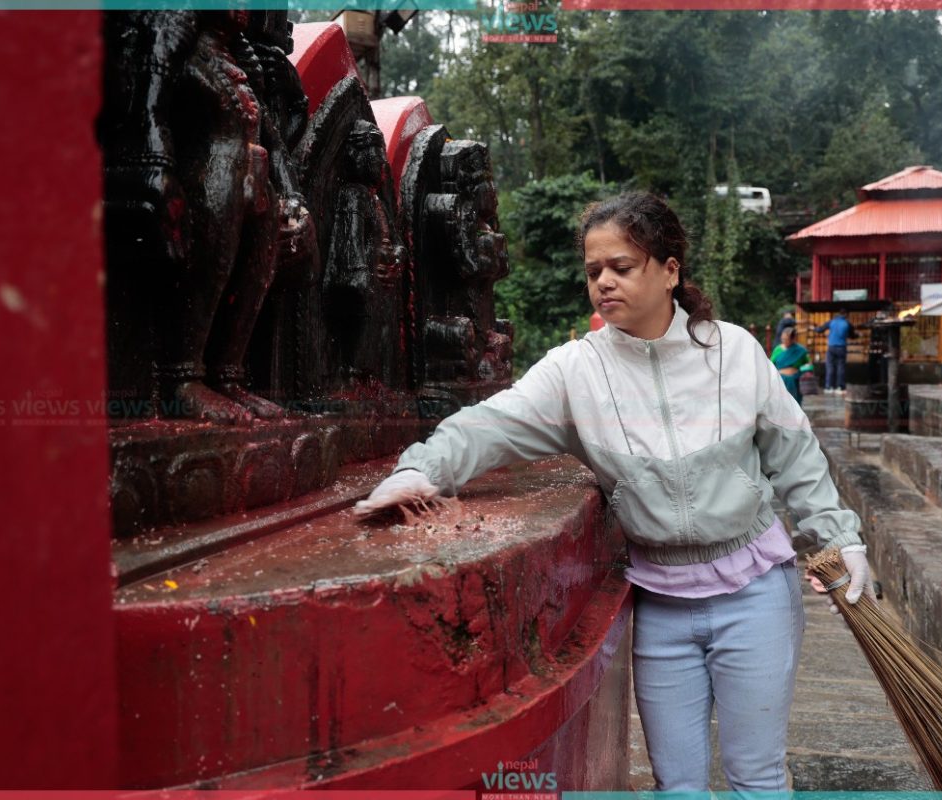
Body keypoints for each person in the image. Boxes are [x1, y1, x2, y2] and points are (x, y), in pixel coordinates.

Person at [354, 192, 871, 793]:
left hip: (755, 594)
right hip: (661, 605)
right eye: (593, 270)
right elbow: (487, 425)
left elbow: (795, 455)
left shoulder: (734, 352)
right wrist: (418, 472)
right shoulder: (575, 371)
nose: (603, 282)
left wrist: (841, 538)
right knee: (677, 786)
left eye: (621, 267)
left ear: (669, 270)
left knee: (756, 778)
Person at [815, 309, 856, 394]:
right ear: (846, 315)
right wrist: (858, 335)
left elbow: (820, 330)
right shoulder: (847, 323)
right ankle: (840, 387)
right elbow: (852, 335)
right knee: (841, 367)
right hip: (841, 347)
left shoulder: (831, 322)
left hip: (831, 347)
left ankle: (828, 387)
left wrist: (814, 328)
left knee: (830, 366)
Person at [771, 324, 809, 406]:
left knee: (794, 404)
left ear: (793, 339)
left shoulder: (801, 350)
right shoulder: (778, 349)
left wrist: (801, 372)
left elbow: (808, 365)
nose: (784, 341)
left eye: (786, 339)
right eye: (782, 339)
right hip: (780, 381)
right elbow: (771, 365)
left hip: (795, 380)